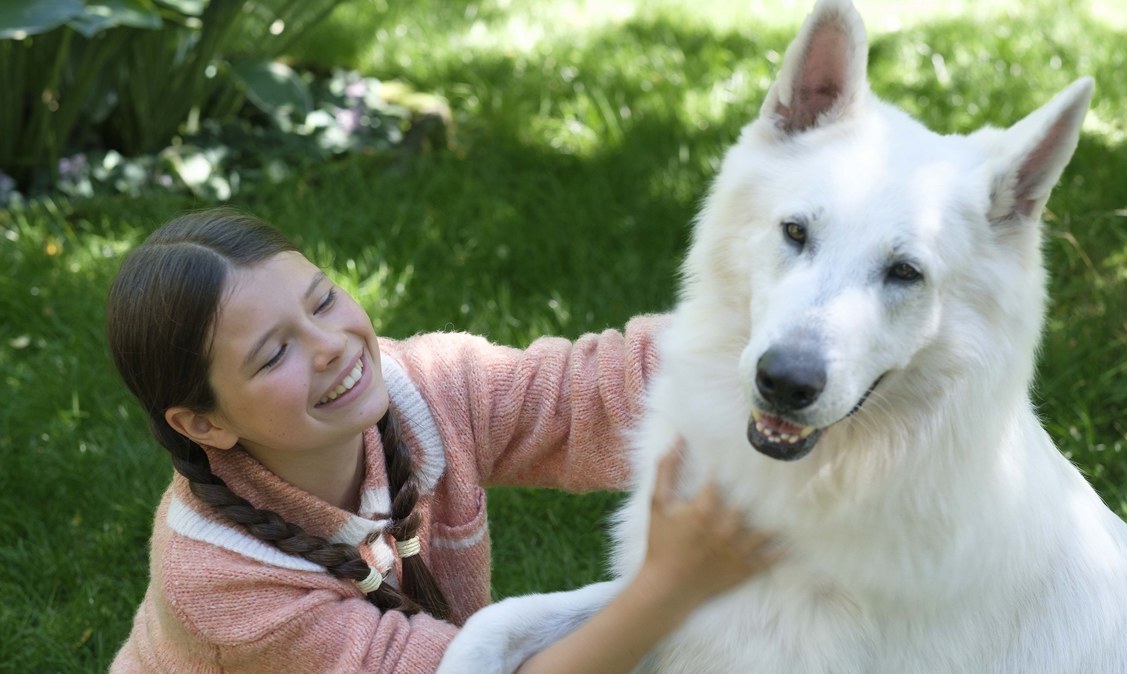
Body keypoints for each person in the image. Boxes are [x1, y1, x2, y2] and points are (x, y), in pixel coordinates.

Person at [105, 209, 776, 672]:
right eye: (274, 353)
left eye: (320, 301)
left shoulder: (427, 389)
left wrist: (774, 330)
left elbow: (589, 392)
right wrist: (672, 586)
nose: (331, 346)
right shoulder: (224, 588)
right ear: (204, 423)